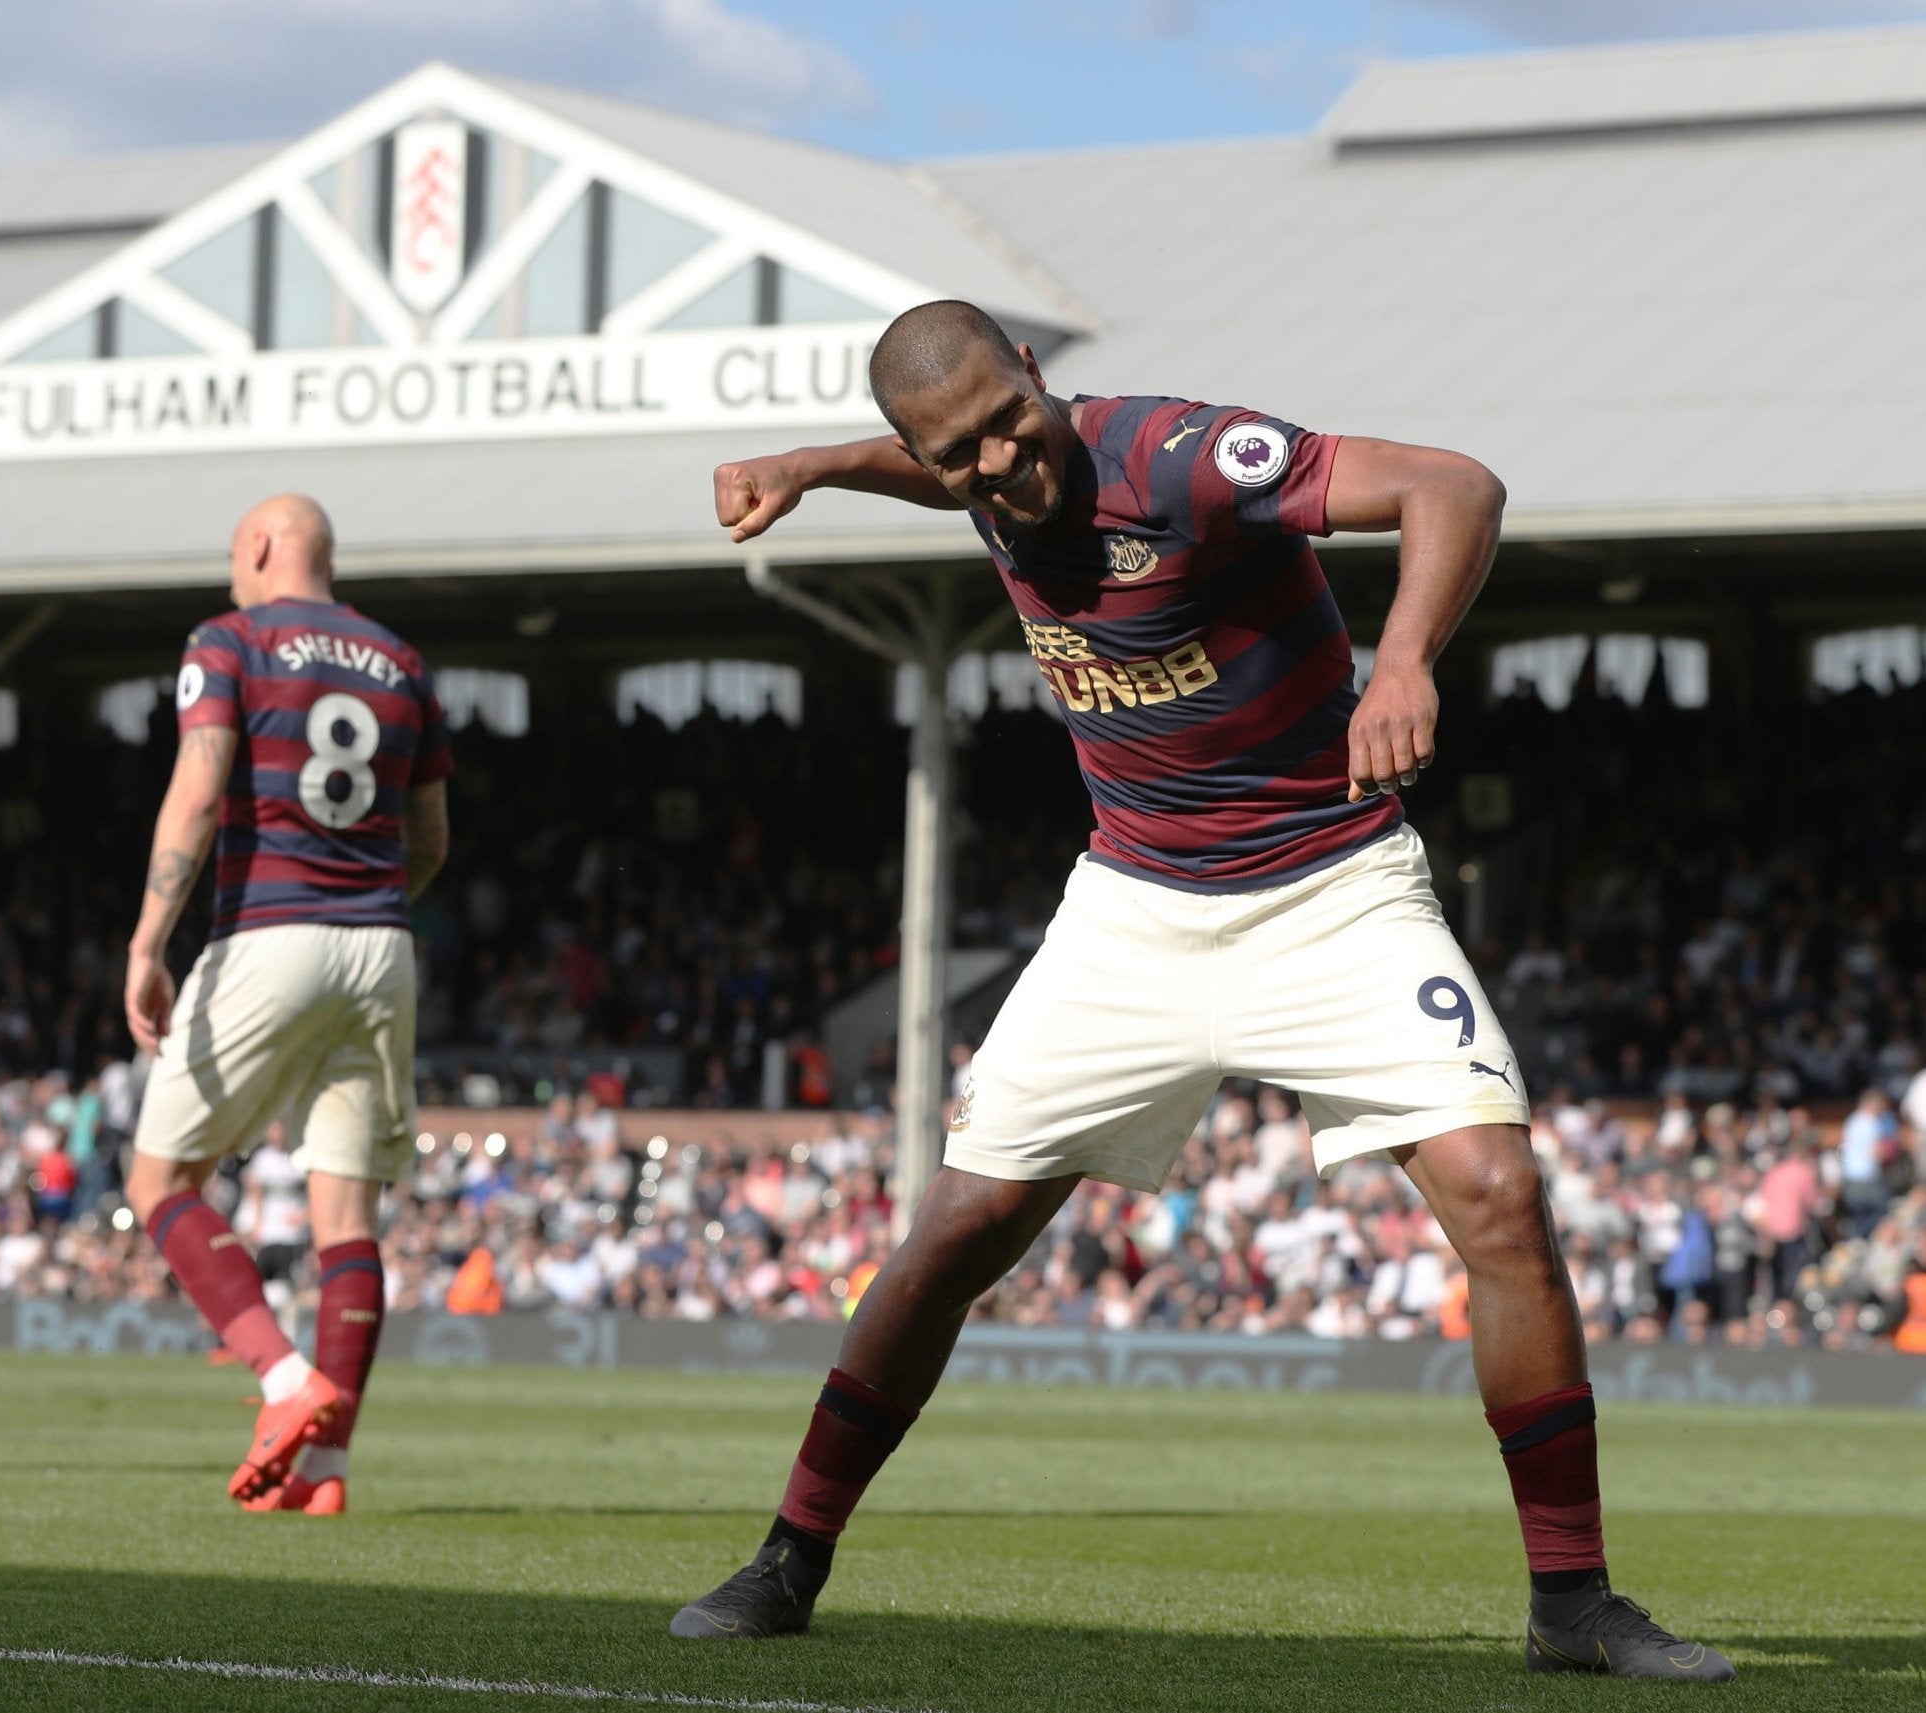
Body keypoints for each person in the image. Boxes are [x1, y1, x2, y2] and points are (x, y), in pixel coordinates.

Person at [670, 302, 1732, 1682]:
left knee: (1501, 1198)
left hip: (1333, 889)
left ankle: (1574, 1602)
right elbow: (918, 453)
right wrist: (812, 465)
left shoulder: (1182, 460)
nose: (999, 465)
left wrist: (1401, 659)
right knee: (956, 1230)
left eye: (1009, 421)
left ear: (1041, 377)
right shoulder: (963, 471)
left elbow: (1452, 484)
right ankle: (789, 1560)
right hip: (1132, 911)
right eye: (960, 457)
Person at [122, 494, 452, 1514]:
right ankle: (325, 1469)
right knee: (346, 1217)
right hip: (383, 944)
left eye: (233, 551)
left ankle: (280, 1378)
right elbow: (432, 835)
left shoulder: (229, 639)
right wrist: (371, 907)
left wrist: (146, 941)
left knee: (158, 1180)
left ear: (262, 547)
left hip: (271, 931)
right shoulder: (401, 660)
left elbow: (199, 779)